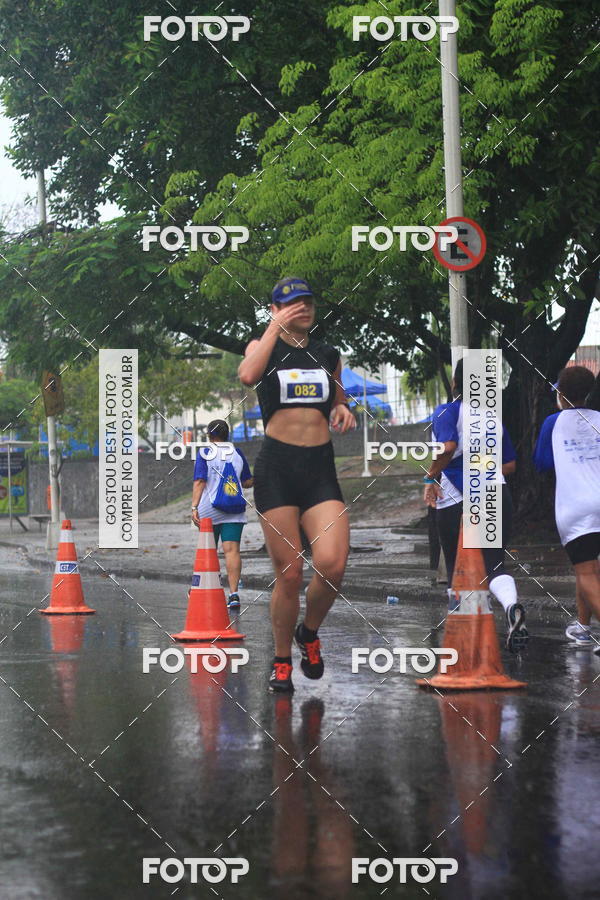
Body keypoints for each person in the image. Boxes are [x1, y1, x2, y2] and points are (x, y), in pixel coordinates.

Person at [238, 277, 356, 693]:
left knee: (333, 563)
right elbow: (247, 375)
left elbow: (337, 397)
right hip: (277, 470)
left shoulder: (328, 354)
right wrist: (273, 328)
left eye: (306, 302)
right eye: (290, 304)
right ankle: (281, 659)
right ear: (275, 308)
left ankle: (309, 632)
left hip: (319, 469)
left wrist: (342, 408)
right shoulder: (263, 348)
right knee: (289, 575)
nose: (301, 308)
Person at [423, 360, 529, 653]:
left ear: (455, 383)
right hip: (495, 490)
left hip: (456, 496)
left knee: (457, 568)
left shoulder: (447, 411)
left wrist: (429, 476)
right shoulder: (492, 418)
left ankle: (464, 643)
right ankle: (511, 606)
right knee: (495, 564)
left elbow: (446, 448)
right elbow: (509, 465)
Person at [533, 365, 600, 653]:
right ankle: (584, 628)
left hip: (575, 506)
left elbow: (542, 463)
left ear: (560, 393)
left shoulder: (553, 423)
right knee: (588, 571)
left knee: (585, 571)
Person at [191, 419, 253, 609]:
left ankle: (204, 589)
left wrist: (194, 507)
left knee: (208, 551)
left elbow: (200, 481)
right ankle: (233, 594)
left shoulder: (205, 452)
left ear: (209, 435)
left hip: (209, 509)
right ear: (227, 435)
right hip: (234, 508)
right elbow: (247, 482)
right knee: (232, 550)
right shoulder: (237, 453)